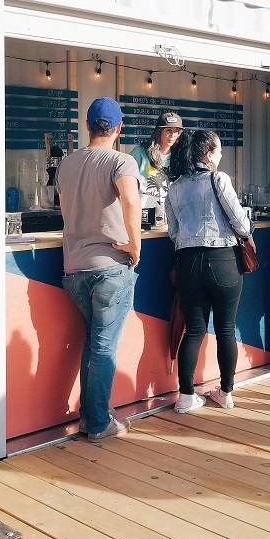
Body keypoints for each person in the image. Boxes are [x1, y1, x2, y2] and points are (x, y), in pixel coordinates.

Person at [57, 97, 142, 442]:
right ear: (118, 128)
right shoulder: (121, 161)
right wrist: (136, 245)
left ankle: (91, 417)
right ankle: (98, 422)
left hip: (73, 269)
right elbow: (131, 199)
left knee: (94, 343)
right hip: (109, 267)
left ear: (87, 126)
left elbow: (64, 210)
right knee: (104, 346)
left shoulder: (67, 163)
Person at [165, 129, 252, 413]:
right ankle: (225, 393)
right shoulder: (218, 179)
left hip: (188, 263)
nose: (221, 154)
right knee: (226, 329)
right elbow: (240, 223)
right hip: (223, 261)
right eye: (218, 150)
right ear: (207, 154)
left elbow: (174, 232)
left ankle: (186, 397)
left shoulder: (175, 187)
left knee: (193, 331)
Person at [130, 112, 184, 210]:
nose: (173, 135)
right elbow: (128, 185)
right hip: (144, 216)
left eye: (177, 131)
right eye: (168, 130)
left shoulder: (180, 156)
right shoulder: (140, 153)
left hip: (171, 217)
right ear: (159, 131)